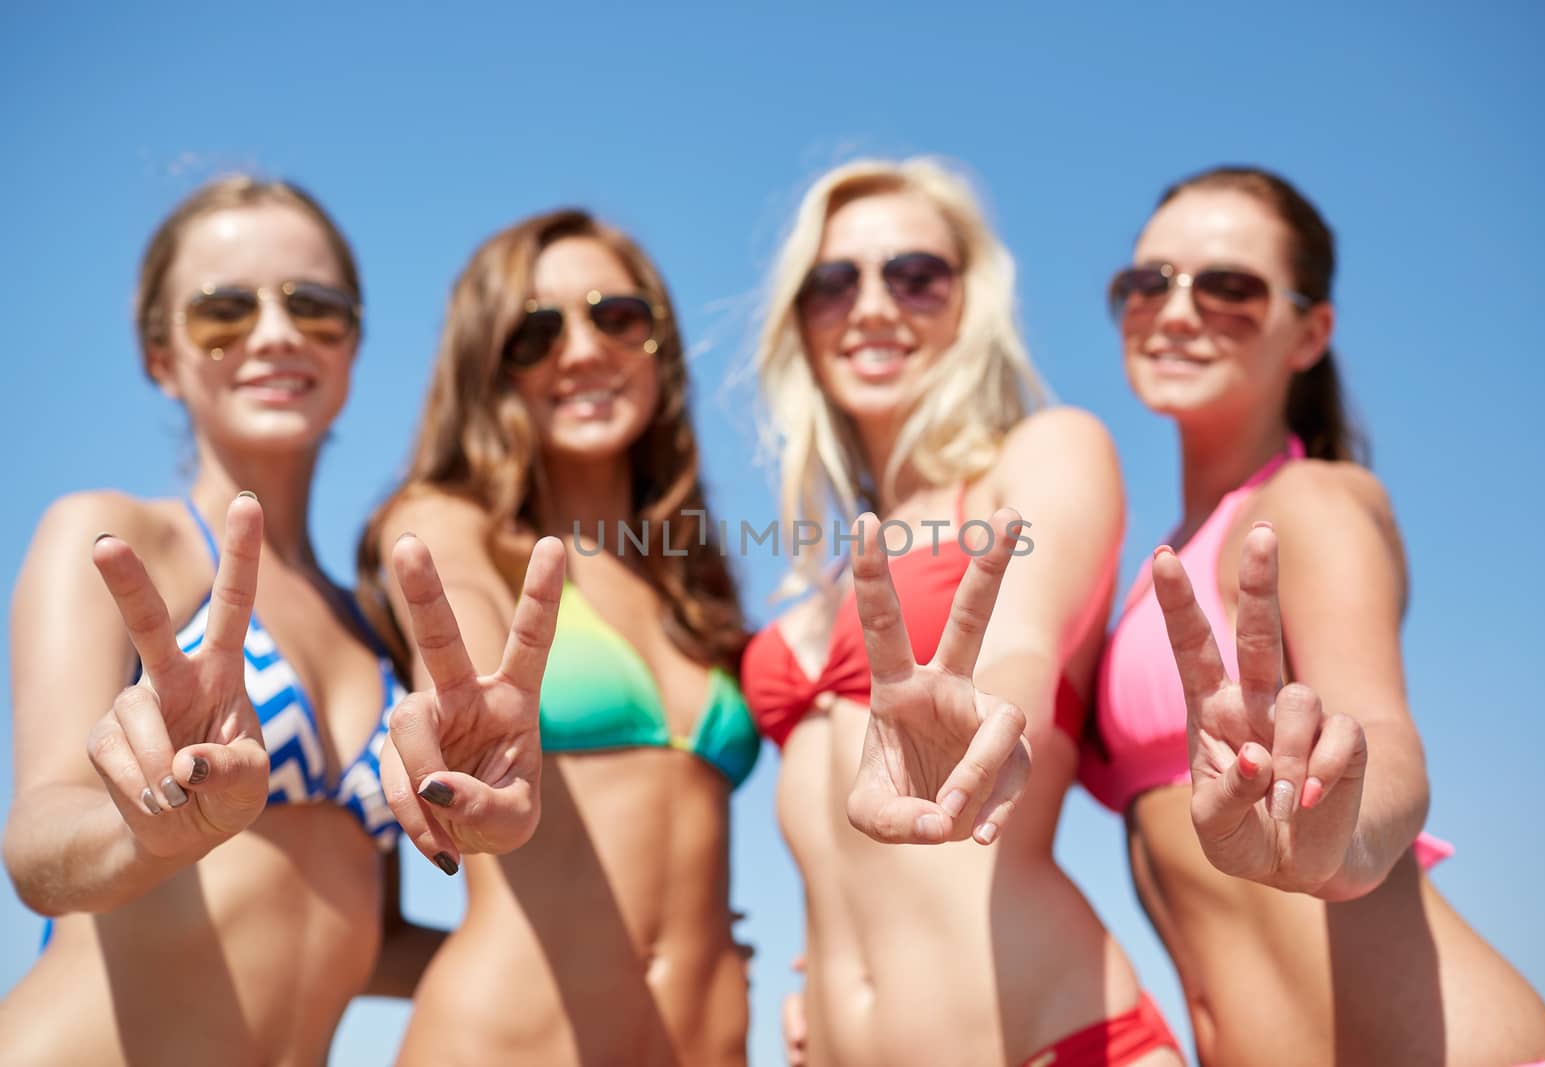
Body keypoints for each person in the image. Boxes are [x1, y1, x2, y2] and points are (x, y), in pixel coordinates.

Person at [1083, 164, 1545, 1066]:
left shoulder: (1310, 504)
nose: (1178, 310)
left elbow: (1383, 726)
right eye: (1147, 281)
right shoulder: (1162, 564)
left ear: (1310, 331)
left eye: (1230, 288)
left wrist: (1346, 846)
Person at [740, 158, 1183, 1066]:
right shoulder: (827, 574)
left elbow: (1021, 638)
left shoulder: (1041, 456)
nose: (871, 306)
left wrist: (988, 707)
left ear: (968, 302)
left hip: (1053, 1042)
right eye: (834, 281)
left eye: (914, 275)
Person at [0, 176, 441, 1064]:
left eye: (314, 306)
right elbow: (37, 840)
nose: (275, 334)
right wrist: (145, 837)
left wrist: (626, 955)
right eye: (223, 310)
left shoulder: (375, 627)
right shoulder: (118, 542)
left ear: (352, 343)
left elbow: (363, 931)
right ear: (162, 357)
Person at [357, 207, 758, 1065]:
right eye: (536, 333)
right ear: (489, 367)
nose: (582, 351)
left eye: (618, 317)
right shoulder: (451, 524)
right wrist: (453, 713)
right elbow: (451, 618)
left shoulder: (689, 581)